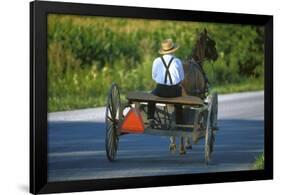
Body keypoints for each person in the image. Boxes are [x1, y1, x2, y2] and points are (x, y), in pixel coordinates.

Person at [147, 38, 184, 127]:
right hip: (174, 91)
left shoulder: (156, 61)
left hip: (160, 90)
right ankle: (179, 121)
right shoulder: (177, 61)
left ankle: (151, 117)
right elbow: (182, 78)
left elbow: (154, 77)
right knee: (179, 102)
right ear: (173, 50)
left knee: (151, 98)